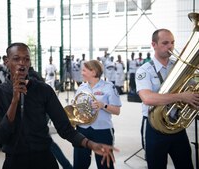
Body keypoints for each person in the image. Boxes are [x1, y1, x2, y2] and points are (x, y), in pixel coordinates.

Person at [0, 42, 118, 169]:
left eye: (26, 59)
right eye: (16, 59)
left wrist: (91, 145)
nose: (22, 63)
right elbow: (0, 136)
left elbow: (65, 127)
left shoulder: (44, 90)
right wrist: (14, 100)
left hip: (44, 159)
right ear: (7, 61)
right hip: (15, 161)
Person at [135, 28, 197, 169]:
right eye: (165, 43)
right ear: (154, 45)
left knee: (186, 164)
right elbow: (147, 98)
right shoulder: (144, 70)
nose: (170, 46)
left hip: (177, 124)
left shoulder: (179, 65)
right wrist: (181, 96)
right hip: (154, 126)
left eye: (172, 43)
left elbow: (192, 88)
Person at [73, 60, 121, 169]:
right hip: (82, 130)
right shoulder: (81, 88)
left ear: (93, 72)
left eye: (84, 70)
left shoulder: (109, 87)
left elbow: (117, 111)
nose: (81, 73)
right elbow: (75, 108)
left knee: (105, 165)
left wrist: (103, 105)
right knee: (79, 164)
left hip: (102, 131)